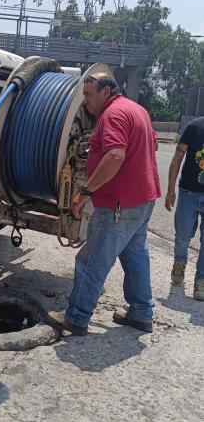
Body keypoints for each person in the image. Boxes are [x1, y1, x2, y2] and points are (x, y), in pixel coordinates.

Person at [62, 72, 160, 335]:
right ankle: (141, 313)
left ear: (106, 92)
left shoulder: (112, 115)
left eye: (89, 94)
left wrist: (86, 190)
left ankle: (77, 317)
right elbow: (154, 144)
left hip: (119, 205)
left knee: (91, 260)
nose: (85, 101)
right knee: (136, 256)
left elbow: (116, 155)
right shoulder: (137, 110)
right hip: (142, 200)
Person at [165, 116, 204, 300]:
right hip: (188, 193)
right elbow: (177, 157)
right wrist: (170, 189)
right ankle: (179, 263)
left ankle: (201, 280)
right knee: (182, 235)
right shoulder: (194, 126)